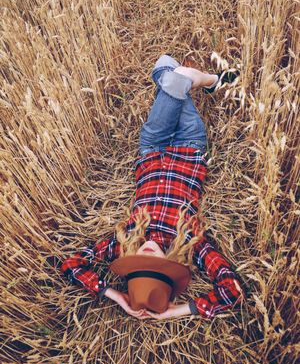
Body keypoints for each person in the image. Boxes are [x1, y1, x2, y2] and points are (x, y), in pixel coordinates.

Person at [61, 54, 244, 320]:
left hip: (152, 147)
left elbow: (72, 265)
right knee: (171, 75)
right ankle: (207, 80)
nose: (146, 254)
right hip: (190, 145)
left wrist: (117, 297)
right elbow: (232, 290)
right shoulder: (190, 243)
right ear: (168, 268)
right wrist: (179, 311)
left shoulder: (125, 241)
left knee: (168, 69)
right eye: (153, 264)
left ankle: (207, 81)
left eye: (137, 266)